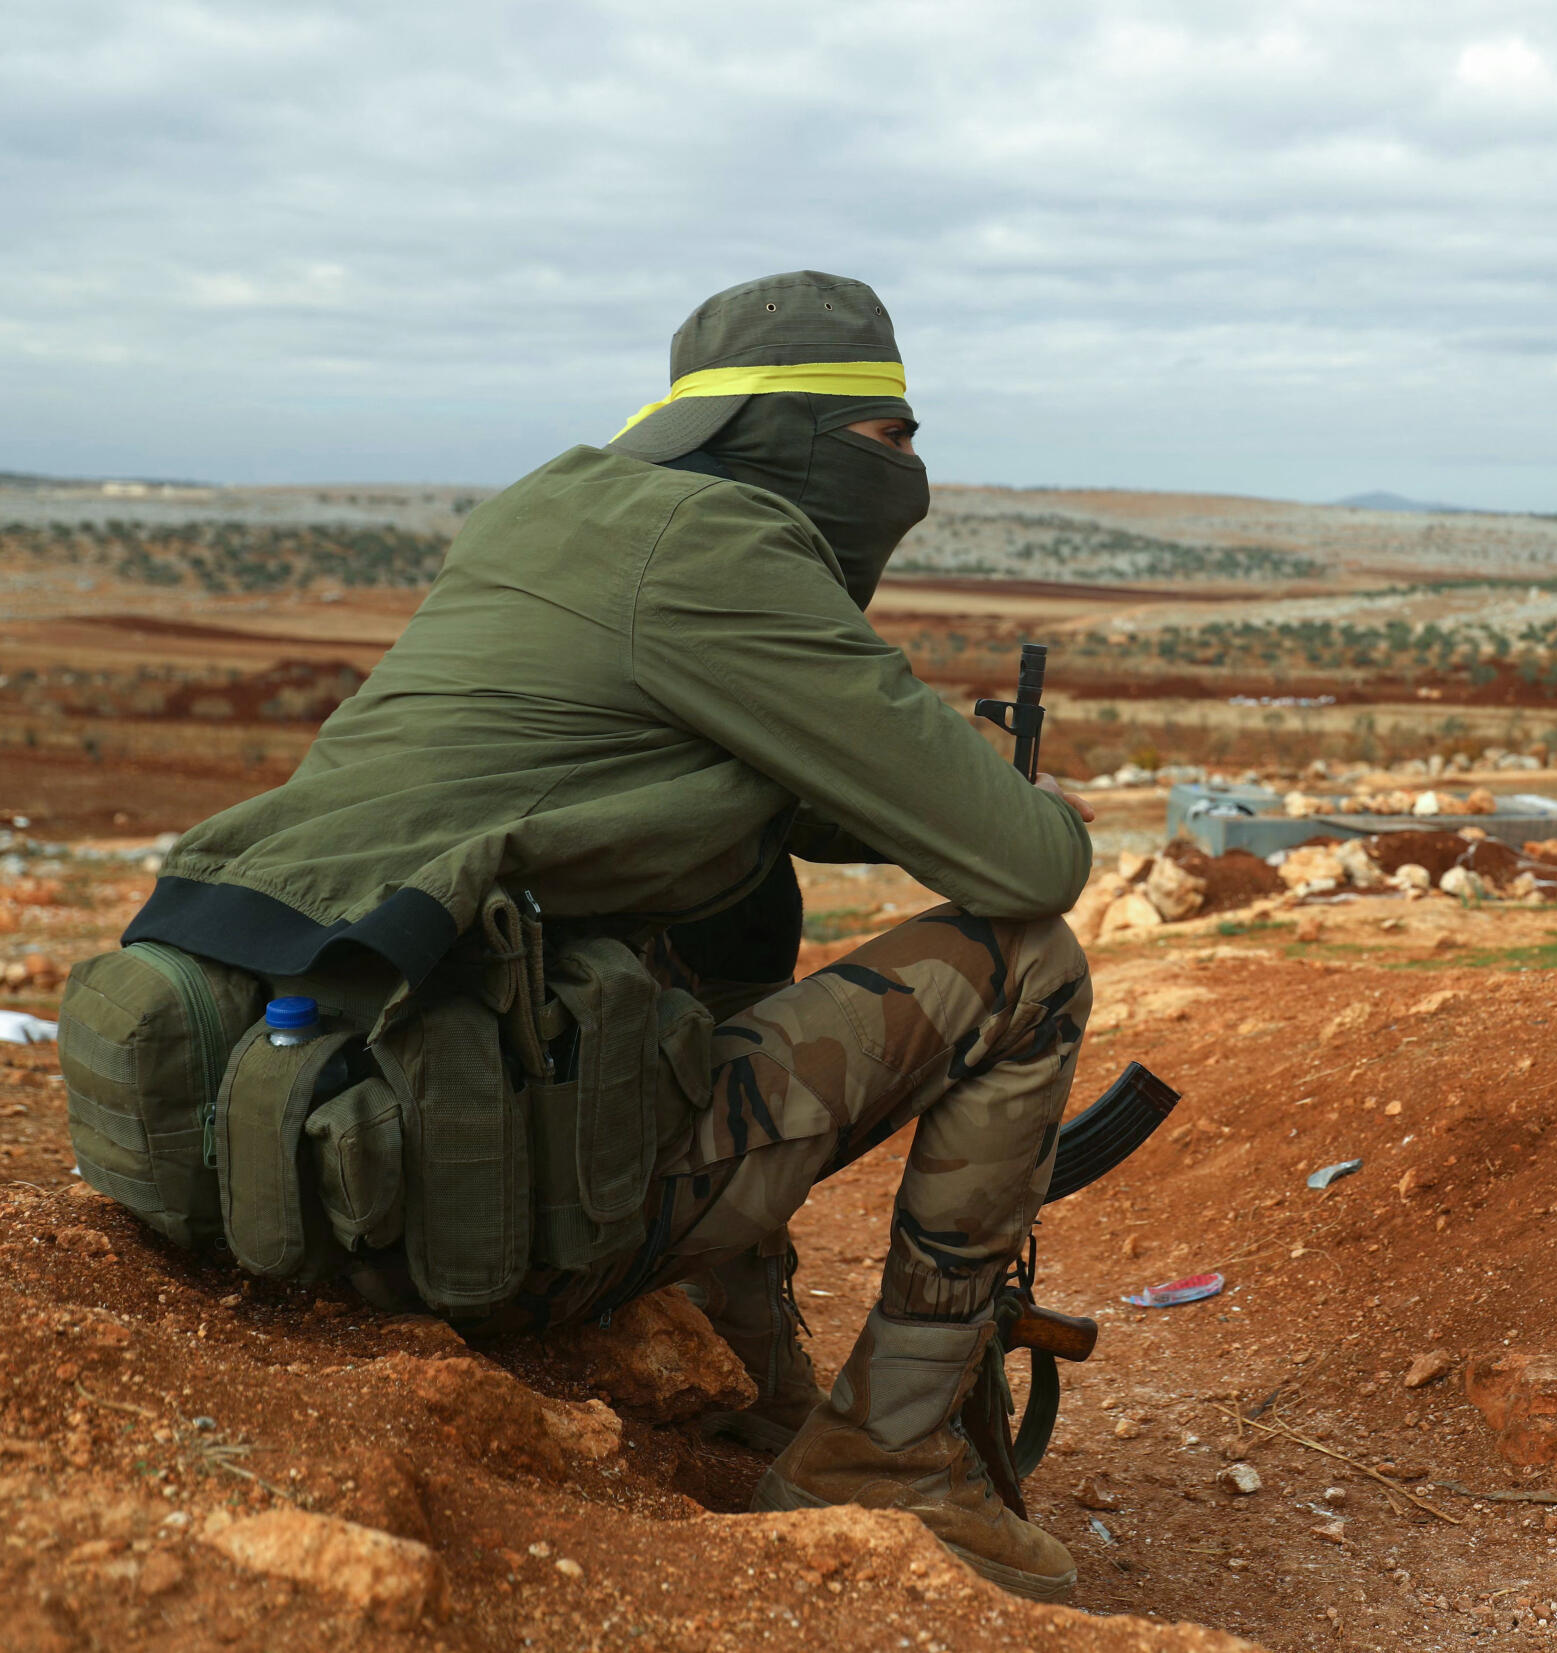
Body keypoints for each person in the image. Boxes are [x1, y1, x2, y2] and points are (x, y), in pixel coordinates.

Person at [77, 271, 1094, 1601]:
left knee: (734, 888)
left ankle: (754, 1376)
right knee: (1028, 965)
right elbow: (1024, 862)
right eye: (892, 438)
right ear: (791, 434)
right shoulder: (727, 550)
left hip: (293, 1166)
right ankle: (886, 1455)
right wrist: (1036, 802)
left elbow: (696, 791)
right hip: (476, 1219)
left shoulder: (548, 513)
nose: (910, 472)